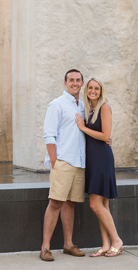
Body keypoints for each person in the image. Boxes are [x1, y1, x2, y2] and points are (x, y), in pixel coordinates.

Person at [40, 69, 87, 261]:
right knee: (56, 203)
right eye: (71, 80)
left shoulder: (82, 106)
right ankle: (45, 247)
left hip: (78, 163)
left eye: (78, 80)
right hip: (63, 161)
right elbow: (48, 134)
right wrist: (54, 161)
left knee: (70, 203)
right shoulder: (56, 105)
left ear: (82, 83)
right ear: (65, 83)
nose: (75, 83)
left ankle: (68, 244)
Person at [75, 77, 123, 257]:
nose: (93, 91)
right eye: (90, 88)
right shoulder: (89, 109)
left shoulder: (104, 107)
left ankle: (117, 240)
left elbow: (105, 135)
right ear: (86, 89)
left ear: (101, 91)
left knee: (95, 205)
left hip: (102, 160)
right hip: (92, 160)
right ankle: (105, 244)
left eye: (96, 88)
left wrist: (83, 127)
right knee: (103, 205)